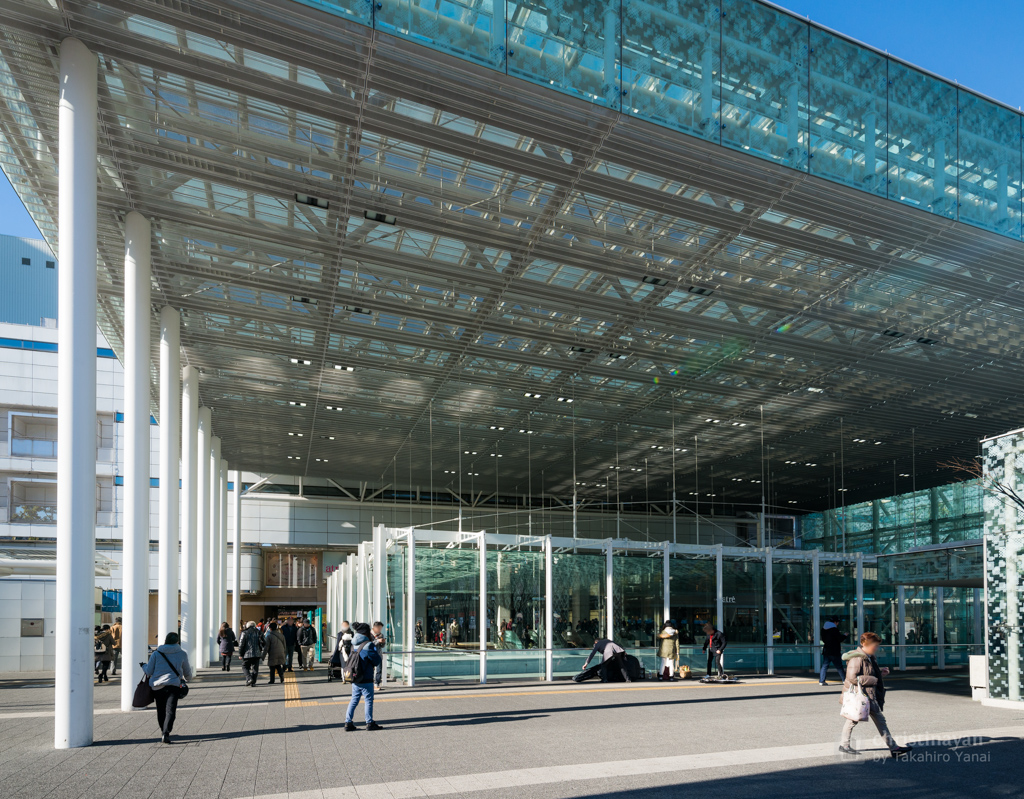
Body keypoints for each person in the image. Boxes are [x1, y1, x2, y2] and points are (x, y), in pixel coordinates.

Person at [839, 632, 913, 758]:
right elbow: (852, 678)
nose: (876, 648)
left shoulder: (869, 657)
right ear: (864, 644)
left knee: (864, 720)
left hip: (867, 695)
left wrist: (880, 673)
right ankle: (893, 748)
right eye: (874, 645)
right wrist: (874, 679)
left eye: (877, 645)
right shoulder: (857, 658)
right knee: (858, 720)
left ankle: (893, 747)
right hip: (861, 696)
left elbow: (868, 673)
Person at [142, 632, 192, 744]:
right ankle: (166, 732)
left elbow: (149, 671)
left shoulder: (157, 653)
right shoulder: (182, 653)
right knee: (171, 710)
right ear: (177, 641)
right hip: (173, 685)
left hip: (157, 686)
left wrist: (143, 666)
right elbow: (187, 671)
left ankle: (162, 731)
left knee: (161, 710)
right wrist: (188, 678)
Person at [344, 623, 384, 731]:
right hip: (366, 677)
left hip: (355, 677)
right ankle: (369, 722)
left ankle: (348, 722)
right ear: (366, 633)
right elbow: (376, 660)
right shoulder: (368, 645)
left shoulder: (353, 644)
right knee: (368, 699)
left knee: (354, 699)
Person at [819, 617, 849, 686]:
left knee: (824, 666)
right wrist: (845, 635)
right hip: (834, 650)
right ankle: (844, 680)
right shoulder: (834, 629)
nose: (838, 624)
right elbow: (839, 639)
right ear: (835, 622)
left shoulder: (823, 629)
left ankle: (821, 681)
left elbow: (824, 640)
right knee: (839, 666)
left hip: (826, 650)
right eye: (837, 622)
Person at [238, 621, 264, 687]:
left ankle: (249, 678)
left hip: (247, 654)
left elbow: (241, 644)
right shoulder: (259, 632)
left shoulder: (244, 632)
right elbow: (264, 642)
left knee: (245, 666)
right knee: (255, 668)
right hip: (257, 653)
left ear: (247, 626)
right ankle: (253, 682)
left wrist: (240, 654)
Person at [372, 621, 387, 692]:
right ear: (375, 627)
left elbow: (382, 646)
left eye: (381, 628)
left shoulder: (381, 635)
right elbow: (369, 644)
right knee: (370, 670)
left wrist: (383, 642)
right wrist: (378, 641)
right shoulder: (370, 634)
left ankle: (376, 684)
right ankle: (370, 684)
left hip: (379, 654)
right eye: (379, 628)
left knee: (379, 670)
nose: (380, 630)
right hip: (371, 655)